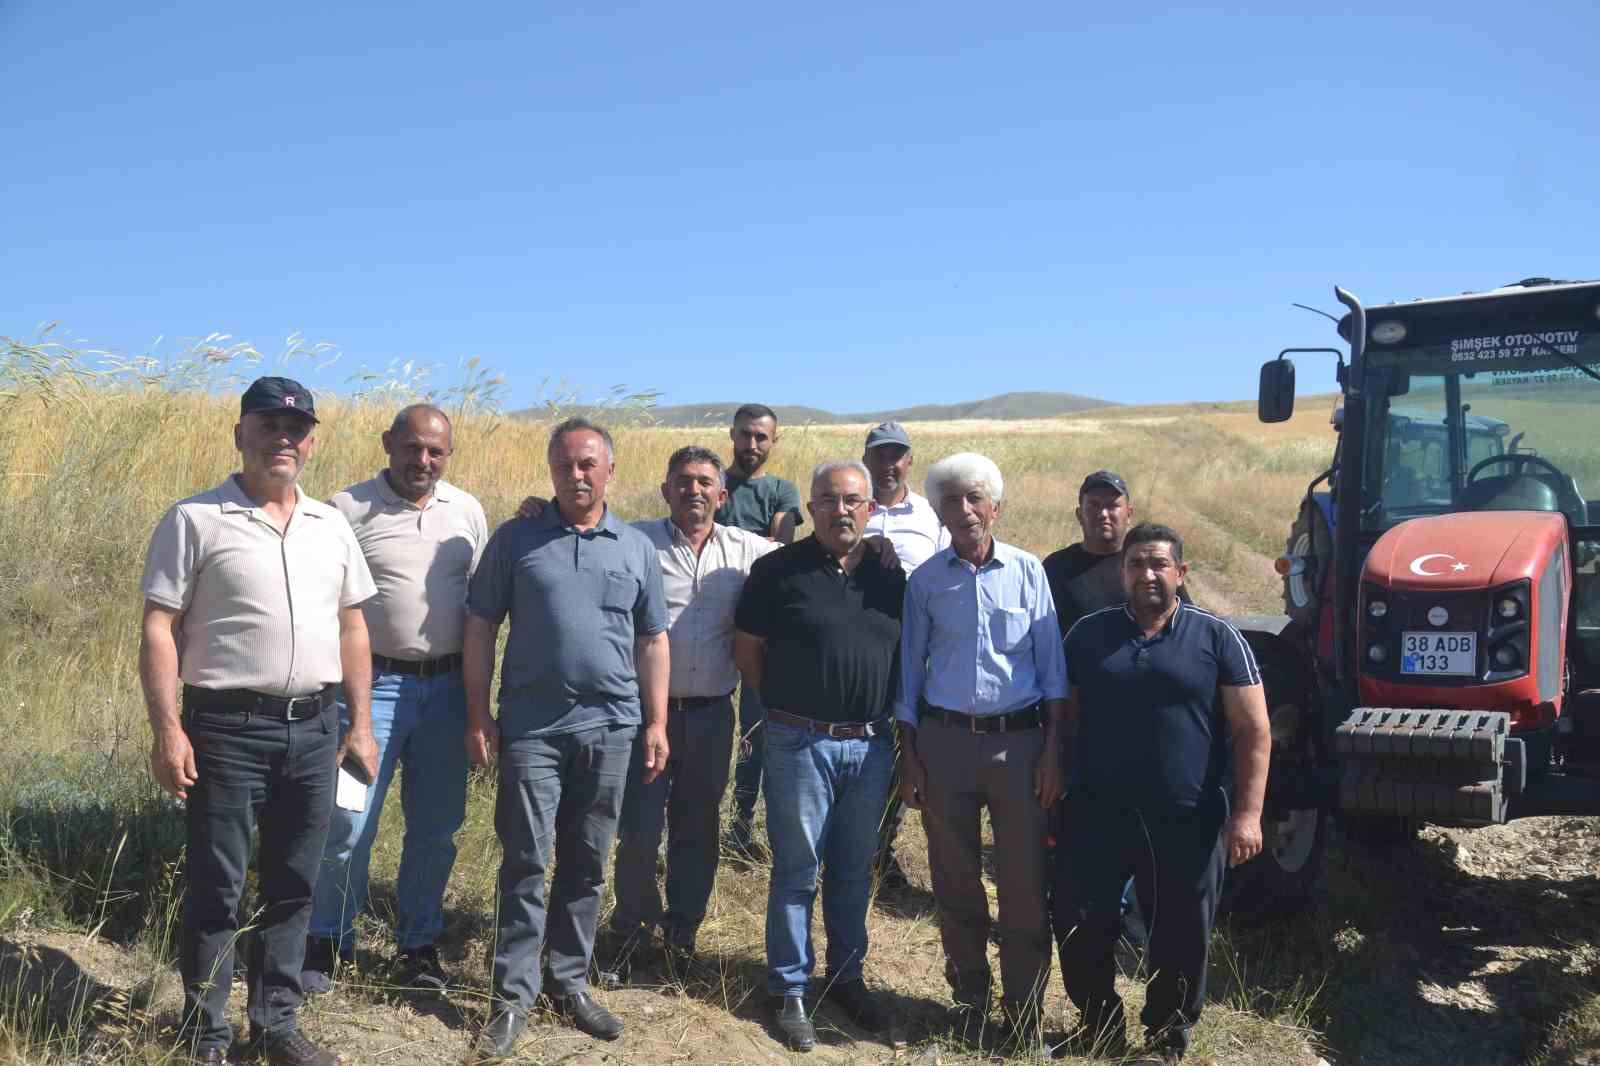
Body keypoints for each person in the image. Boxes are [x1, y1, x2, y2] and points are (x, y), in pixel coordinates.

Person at [139, 376, 377, 1066]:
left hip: (315, 728)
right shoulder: (196, 519)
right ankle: (205, 1033)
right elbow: (161, 625)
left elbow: (353, 625)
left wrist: (358, 725)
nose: (284, 438)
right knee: (218, 881)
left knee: (294, 881)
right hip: (226, 727)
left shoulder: (330, 524)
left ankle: (275, 1023)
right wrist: (167, 729)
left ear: (311, 441)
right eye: (269, 424)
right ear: (241, 432)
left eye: (297, 429)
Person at [463, 417, 669, 1058]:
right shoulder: (517, 539)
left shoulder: (635, 548)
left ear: (610, 469)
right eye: (563, 465)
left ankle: (569, 981)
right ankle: (511, 997)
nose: (575, 476)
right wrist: (478, 713)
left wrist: (656, 721)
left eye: (587, 464)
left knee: (587, 860)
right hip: (532, 730)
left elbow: (653, 638)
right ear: (550, 470)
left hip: (611, 728)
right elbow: (479, 627)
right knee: (525, 860)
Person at [1054, 523, 1270, 1063]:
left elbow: (1253, 731)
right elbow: (1063, 720)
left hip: (1186, 815)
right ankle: (1099, 1026)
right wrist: (1053, 782)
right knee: (1082, 919)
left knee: (1179, 931)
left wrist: (1247, 816)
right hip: (1096, 810)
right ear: (1122, 572)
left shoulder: (1217, 637)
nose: (1146, 574)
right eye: (1135, 564)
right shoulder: (1087, 635)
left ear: (1180, 573)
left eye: (1158, 564)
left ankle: (1166, 1039)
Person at [303, 404, 488, 995]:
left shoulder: (467, 512)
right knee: (347, 823)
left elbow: (483, 605)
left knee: (436, 829)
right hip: (370, 692)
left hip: (448, 693)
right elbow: (323, 603)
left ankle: (419, 945)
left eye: (436, 452)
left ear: (448, 455)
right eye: (412, 448)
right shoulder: (346, 508)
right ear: (388, 443)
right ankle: (328, 940)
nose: (423, 461)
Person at [894, 452, 1067, 1048]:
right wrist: (910, 755)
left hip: (1019, 749)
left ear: (995, 506)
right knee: (955, 881)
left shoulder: (1028, 572)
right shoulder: (926, 582)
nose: (964, 511)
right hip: (943, 746)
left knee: (1022, 886)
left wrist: (1052, 753)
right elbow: (910, 676)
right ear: (938, 511)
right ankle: (969, 1000)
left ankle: (1022, 1018)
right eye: (951, 501)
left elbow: (1053, 674)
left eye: (974, 499)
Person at [733, 460, 905, 1052]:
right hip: (798, 740)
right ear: (810, 508)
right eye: (829, 500)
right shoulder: (778, 570)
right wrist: (780, 709)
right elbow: (747, 649)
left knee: (854, 869)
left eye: (853, 500)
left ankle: (846, 977)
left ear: (870, 508)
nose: (842, 510)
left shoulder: (890, 575)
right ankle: (788, 987)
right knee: (797, 869)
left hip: (870, 744)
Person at [599, 444, 777, 980]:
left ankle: (682, 934)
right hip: (643, 715)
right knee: (638, 827)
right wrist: (537, 508)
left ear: (722, 496)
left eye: (704, 482)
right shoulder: (634, 543)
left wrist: (874, 545)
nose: (693, 490)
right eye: (683, 480)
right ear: (665, 489)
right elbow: (579, 533)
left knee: (697, 827)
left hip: (711, 714)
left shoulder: (750, 551)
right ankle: (631, 930)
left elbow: (812, 554)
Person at [859, 420, 948, 891]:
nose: (888, 464)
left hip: (919, 647)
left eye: (897, 455)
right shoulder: (853, 507)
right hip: (863, 647)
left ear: (910, 461)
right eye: (880, 454)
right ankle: (851, 845)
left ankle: (880, 849)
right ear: (866, 458)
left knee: (903, 748)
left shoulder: (933, 515)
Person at [717, 403, 804, 857]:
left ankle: (741, 826)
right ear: (731, 435)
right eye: (745, 435)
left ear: (774, 441)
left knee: (755, 732)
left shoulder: (780, 491)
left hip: (758, 631)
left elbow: (778, 550)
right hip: (704, 623)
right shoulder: (710, 482)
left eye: (762, 438)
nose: (753, 445)